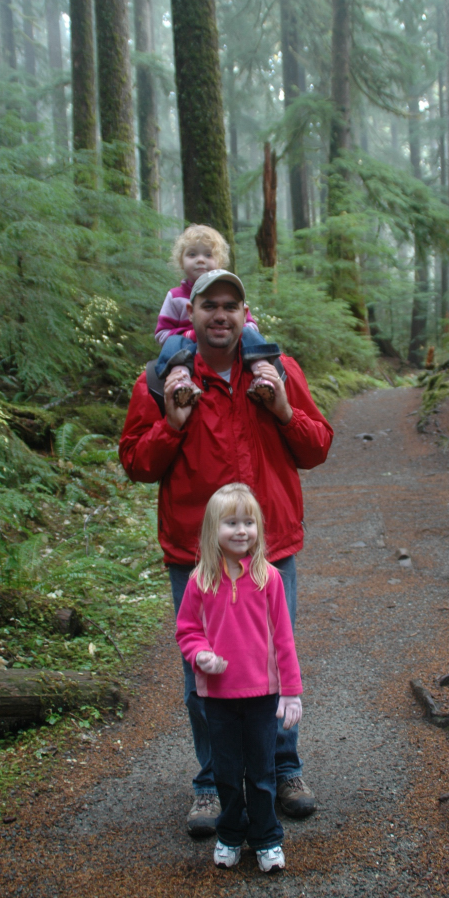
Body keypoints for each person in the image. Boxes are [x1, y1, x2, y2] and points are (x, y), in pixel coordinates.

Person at [119, 269, 333, 836]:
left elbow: (317, 448)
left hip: (270, 548)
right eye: (209, 305)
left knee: (274, 659)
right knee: (203, 668)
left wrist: (283, 408)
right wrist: (171, 425)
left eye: (230, 305)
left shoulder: (277, 370)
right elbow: (136, 463)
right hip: (197, 555)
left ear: (244, 314)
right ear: (189, 315)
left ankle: (283, 770)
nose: (220, 315)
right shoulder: (162, 379)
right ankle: (211, 782)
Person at [176, 483, 302, 872]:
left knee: (262, 771)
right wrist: (200, 654)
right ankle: (230, 834)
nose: (241, 530)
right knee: (227, 772)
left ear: (258, 528)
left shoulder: (269, 578)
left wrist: (291, 692)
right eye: (231, 523)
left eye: (249, 522)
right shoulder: (200, 580)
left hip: (262, 695)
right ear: (212, 529)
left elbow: (284, 639)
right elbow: (187, 630)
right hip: (217, 697)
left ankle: (267, 838)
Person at [154, 224, 282, 405]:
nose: (200, 260)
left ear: (219, 261)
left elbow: (251, 325)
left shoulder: (230, 292)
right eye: (192, 254)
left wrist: (234, 331)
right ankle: (180, 380)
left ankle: (261, 370)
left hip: (228, 348)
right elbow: (161, 333)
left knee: (248, 331)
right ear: (181, 261)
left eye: (208, 255)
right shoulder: (175, 296)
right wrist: (189, 335)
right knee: (174, 342)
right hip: (185, 351)